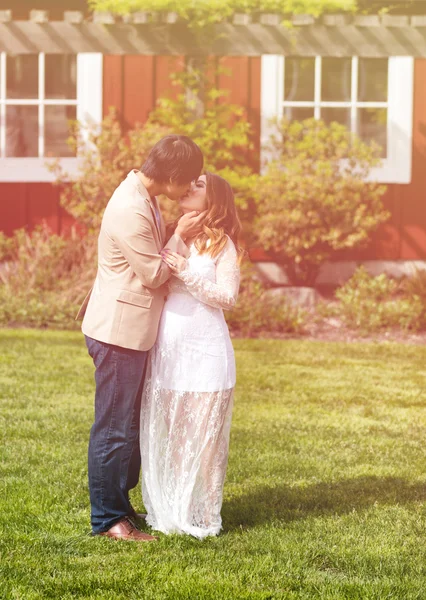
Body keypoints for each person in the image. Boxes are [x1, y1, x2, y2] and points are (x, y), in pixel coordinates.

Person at [77, 135, 206, 542]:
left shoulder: (142, 192)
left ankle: (119, 506)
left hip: (130, 330)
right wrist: (180, 235)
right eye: (186, 180)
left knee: (127, 424)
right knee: (114, 428)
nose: (188, 188)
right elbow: (152, 273)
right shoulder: (130, 207)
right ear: (169, 175)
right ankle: (108, 519)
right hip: (118, 333)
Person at [140, 172, 243, 539]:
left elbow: (228, 298)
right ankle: (174, 507)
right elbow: (155, 278)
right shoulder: (175, 234)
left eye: (198, 186)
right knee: (174, 434)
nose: (189, 188)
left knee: (206, 440)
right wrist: (178, 243)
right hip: (169, 348)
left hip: (207, 349)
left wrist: (187, 272)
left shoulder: (223, 245)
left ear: (213, 201)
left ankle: (206, 515)